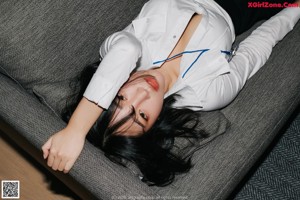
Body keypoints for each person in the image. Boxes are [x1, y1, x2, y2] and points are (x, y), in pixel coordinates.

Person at [42, 0, 300, 186]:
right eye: (141, 115)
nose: (142, 93)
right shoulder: (204, 94)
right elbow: (256, 49)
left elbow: (126, 51)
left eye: (121, 97)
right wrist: (293, 9)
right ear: (154, 124)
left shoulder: (125, 47)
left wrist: (76, 129)